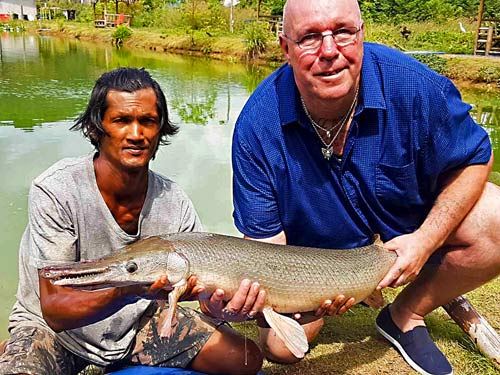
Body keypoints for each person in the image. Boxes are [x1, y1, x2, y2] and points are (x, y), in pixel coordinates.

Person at [230, 0, 500, 374]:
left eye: (343, 31)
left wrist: (424, 242)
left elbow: (475, 158)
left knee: (497, 218)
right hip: (313, 260)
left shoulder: (414, 85)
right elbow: (266, 250)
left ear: (361, 33)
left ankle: (405, 313)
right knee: (280, 348)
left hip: (405, 237)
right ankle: (342, 299)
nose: (329, 51)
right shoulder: (256, 126)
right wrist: (271, 300)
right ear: (285, 48)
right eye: (309, 37)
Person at [0, 67, 263, 375]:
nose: (136, 134)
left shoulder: (174, 201)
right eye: (122, 120)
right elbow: (55, 311)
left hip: (136, 323)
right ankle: (15, 351)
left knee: (244, 358)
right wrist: (128, 289)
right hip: (56, 333)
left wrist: (218, 306)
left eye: (147, 121)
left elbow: (202, 295)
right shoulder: (57, 189)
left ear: (160, 130)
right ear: (96, 129)